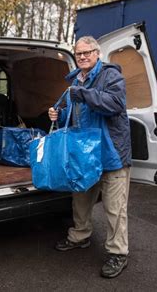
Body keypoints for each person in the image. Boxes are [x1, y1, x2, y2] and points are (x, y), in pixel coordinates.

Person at [48, 36, 132, 279]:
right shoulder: (76, 80)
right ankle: (80, 236)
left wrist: (83, 94)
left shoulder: (110, 75)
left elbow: (114, 104)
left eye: (87, 52)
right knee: (81, 199)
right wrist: (58, 114)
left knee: (115, 208)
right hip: (85, 155)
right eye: (79, 53)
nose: (82, 57)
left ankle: (118, 253)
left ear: (97, 53)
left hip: (110, 153)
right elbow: (74, 117)